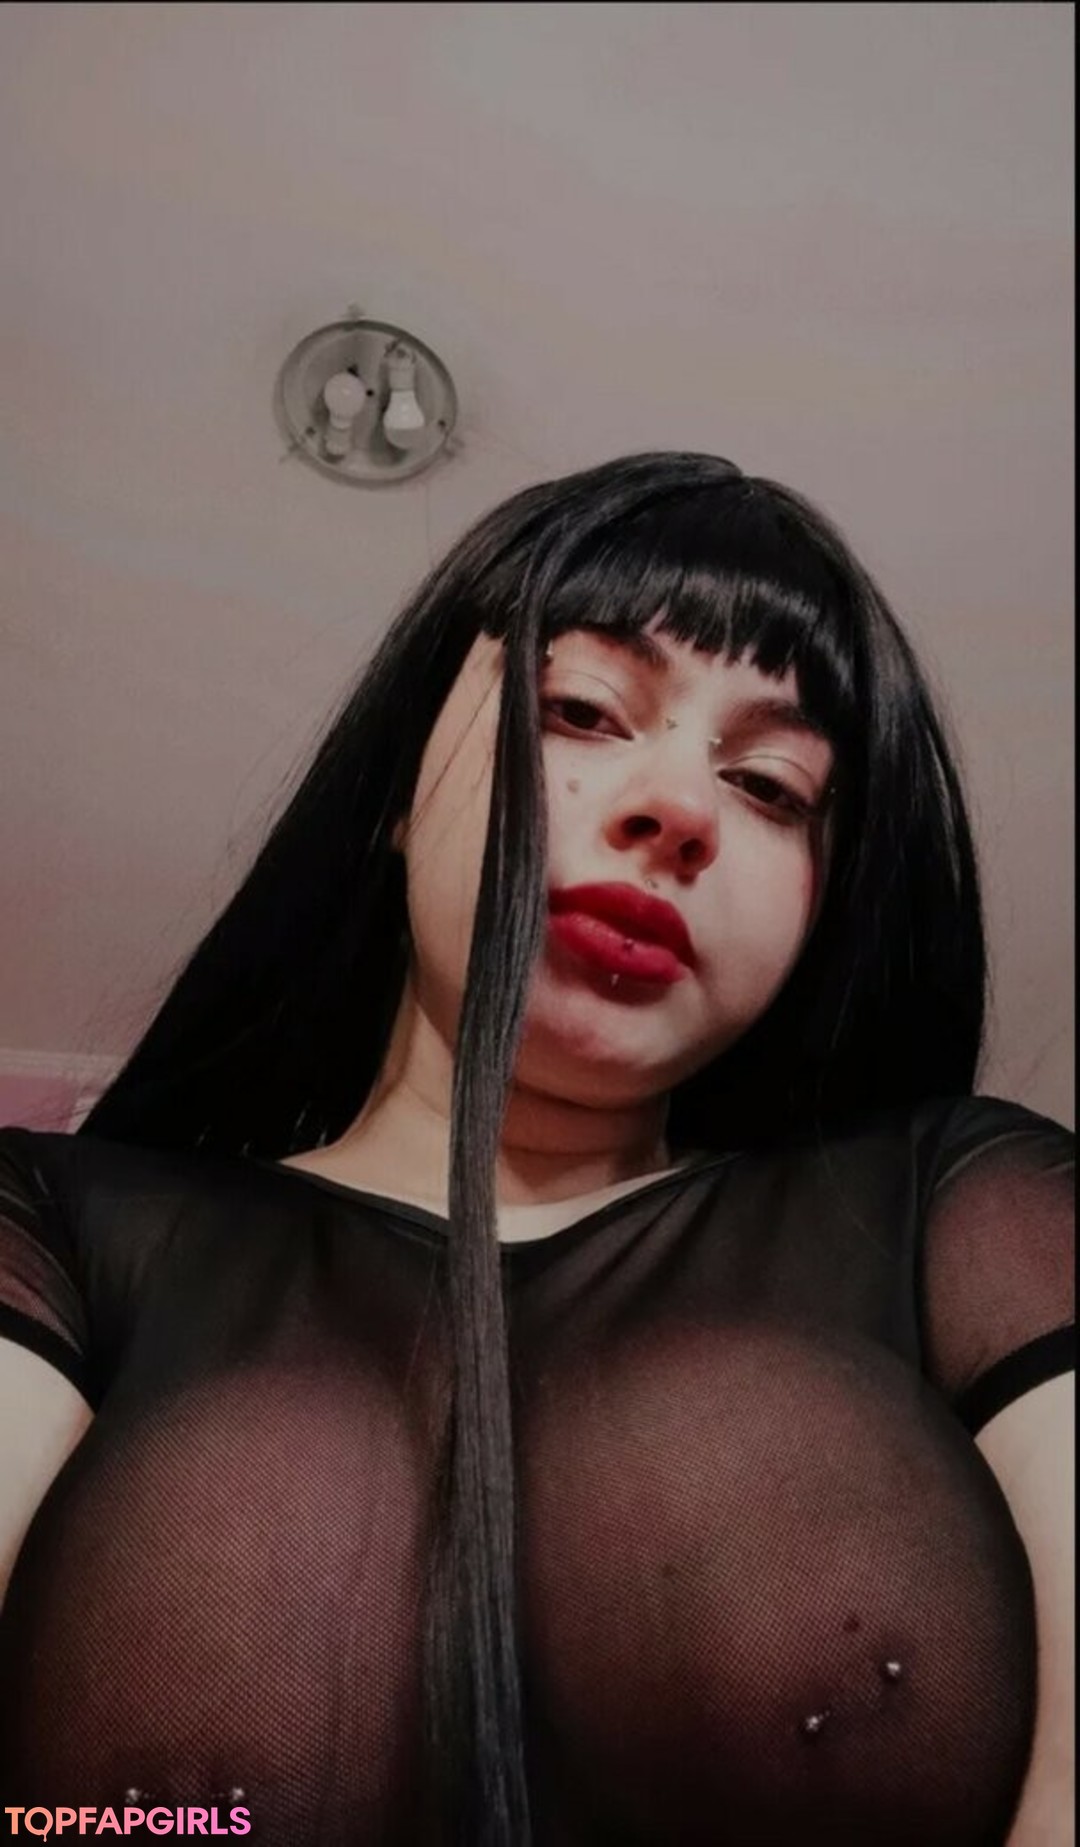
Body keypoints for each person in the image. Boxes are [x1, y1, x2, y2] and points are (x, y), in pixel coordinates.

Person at [0, 452, 1073, 1847]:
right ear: (398, 788)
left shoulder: (960, 1212)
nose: (679, 812)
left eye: (771, 786)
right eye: (581, 709)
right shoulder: (59, 1229)